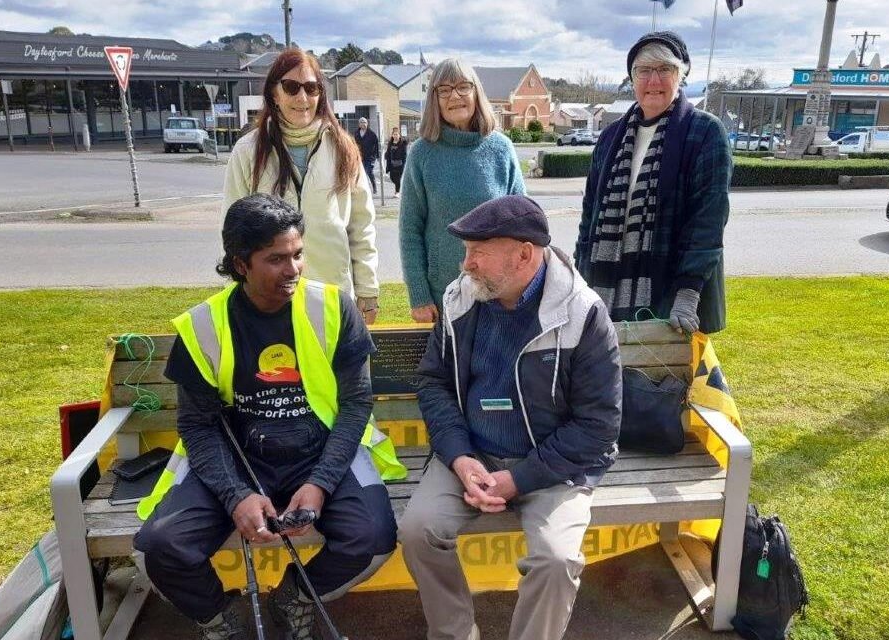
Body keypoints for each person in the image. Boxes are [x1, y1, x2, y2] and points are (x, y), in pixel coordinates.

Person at [134, 194, 402, 640]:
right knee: (161, 548)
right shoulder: (204, 325)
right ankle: (220, 617)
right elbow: (198, 425)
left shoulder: (335, 308)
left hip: (322, 451)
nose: (293, 269)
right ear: (241, 264)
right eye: (276, 259)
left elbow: (356, 405)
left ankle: (294, 597)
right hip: (237, 456)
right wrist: (236, 495)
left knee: (372, 536)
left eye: (298, 255)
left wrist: (320, 484)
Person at [399, 195, 622, 640]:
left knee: (556, 560)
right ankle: (455, 634)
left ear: (524, 254)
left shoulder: (582, 312)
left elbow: (598, 427)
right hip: (473, 455)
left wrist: (518, 479)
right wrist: (461, 458)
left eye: (477, 252)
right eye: (466, 252)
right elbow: (434, 383)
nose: (466, 265)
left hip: (552, 464)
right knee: (418, 530)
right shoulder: (461, 299)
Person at [576, 31, 732, 333]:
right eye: (644, 71)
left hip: (672, 295)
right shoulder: (610, 138)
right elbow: (589, 215)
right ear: (632, 78)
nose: (654, 81)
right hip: (603, 288)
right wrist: (581, 276)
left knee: (666, 380)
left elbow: (708, 220)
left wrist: (687, 292)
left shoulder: (704, 132)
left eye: (665, 69)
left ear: (681, 75)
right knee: (605, 377)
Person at [223, 48, 380, 325]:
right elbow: (234, 234)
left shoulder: (344, 148)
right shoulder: (248, 151)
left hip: (332, 297)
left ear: (321, 94)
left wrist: (367, 290)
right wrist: (238, 296)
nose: (302, 97)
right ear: (274, 93)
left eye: (311, 87)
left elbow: (361, 227)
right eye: (291, 87)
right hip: (268, 301)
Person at [399, 58, 526, 324]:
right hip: (442, 297)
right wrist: (419, 296)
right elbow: (410, 231)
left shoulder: (501, 150)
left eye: (462, 87)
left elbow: (522, 227)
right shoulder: (422, 154)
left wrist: (520, 286)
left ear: (476, 92)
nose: (454, 96)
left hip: (499, 295)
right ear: (434, 99)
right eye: (443, 90)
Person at [354, 116, 380, 195]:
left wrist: (377, 156)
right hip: (360, 157)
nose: (363, 124)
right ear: (359, 124)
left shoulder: (371, 134)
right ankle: (363, 188)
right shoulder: (356, 133)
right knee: (362, 172)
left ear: (367, 123)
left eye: (365, 122)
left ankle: (373, 187)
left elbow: (377, 145)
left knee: (368, 172)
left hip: (370, 157)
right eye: (361, 122)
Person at [384, 126, 407, 197]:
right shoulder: (390, 143)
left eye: (397, 134)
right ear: (392, 135)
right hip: (392, 164)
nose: (395, 136)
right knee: (392, 177)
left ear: (399, 135)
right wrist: (386, 156)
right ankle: (398, 186)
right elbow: (388, 152)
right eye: (394, 134)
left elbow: (404, 154)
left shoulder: (402, 143)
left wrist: (404, 162)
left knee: (398, 178)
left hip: (400, 164)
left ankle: (397, 192)